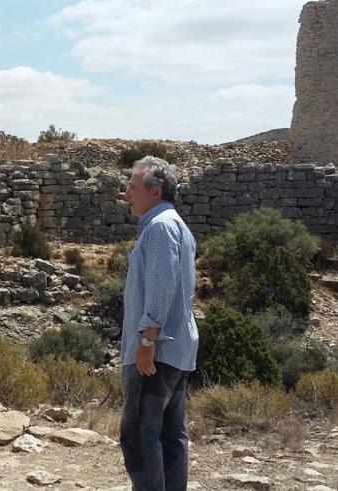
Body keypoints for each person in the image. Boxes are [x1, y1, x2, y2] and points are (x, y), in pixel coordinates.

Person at [119, 156, 199, 491]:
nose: (126, 194)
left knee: (138, 434)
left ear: (155, 191)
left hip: (157, 353)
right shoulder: (176, 225)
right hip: (175, 352)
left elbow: (161, 286)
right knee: (169, 435)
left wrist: (147, 342)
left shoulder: (159, 227)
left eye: (132, 187)